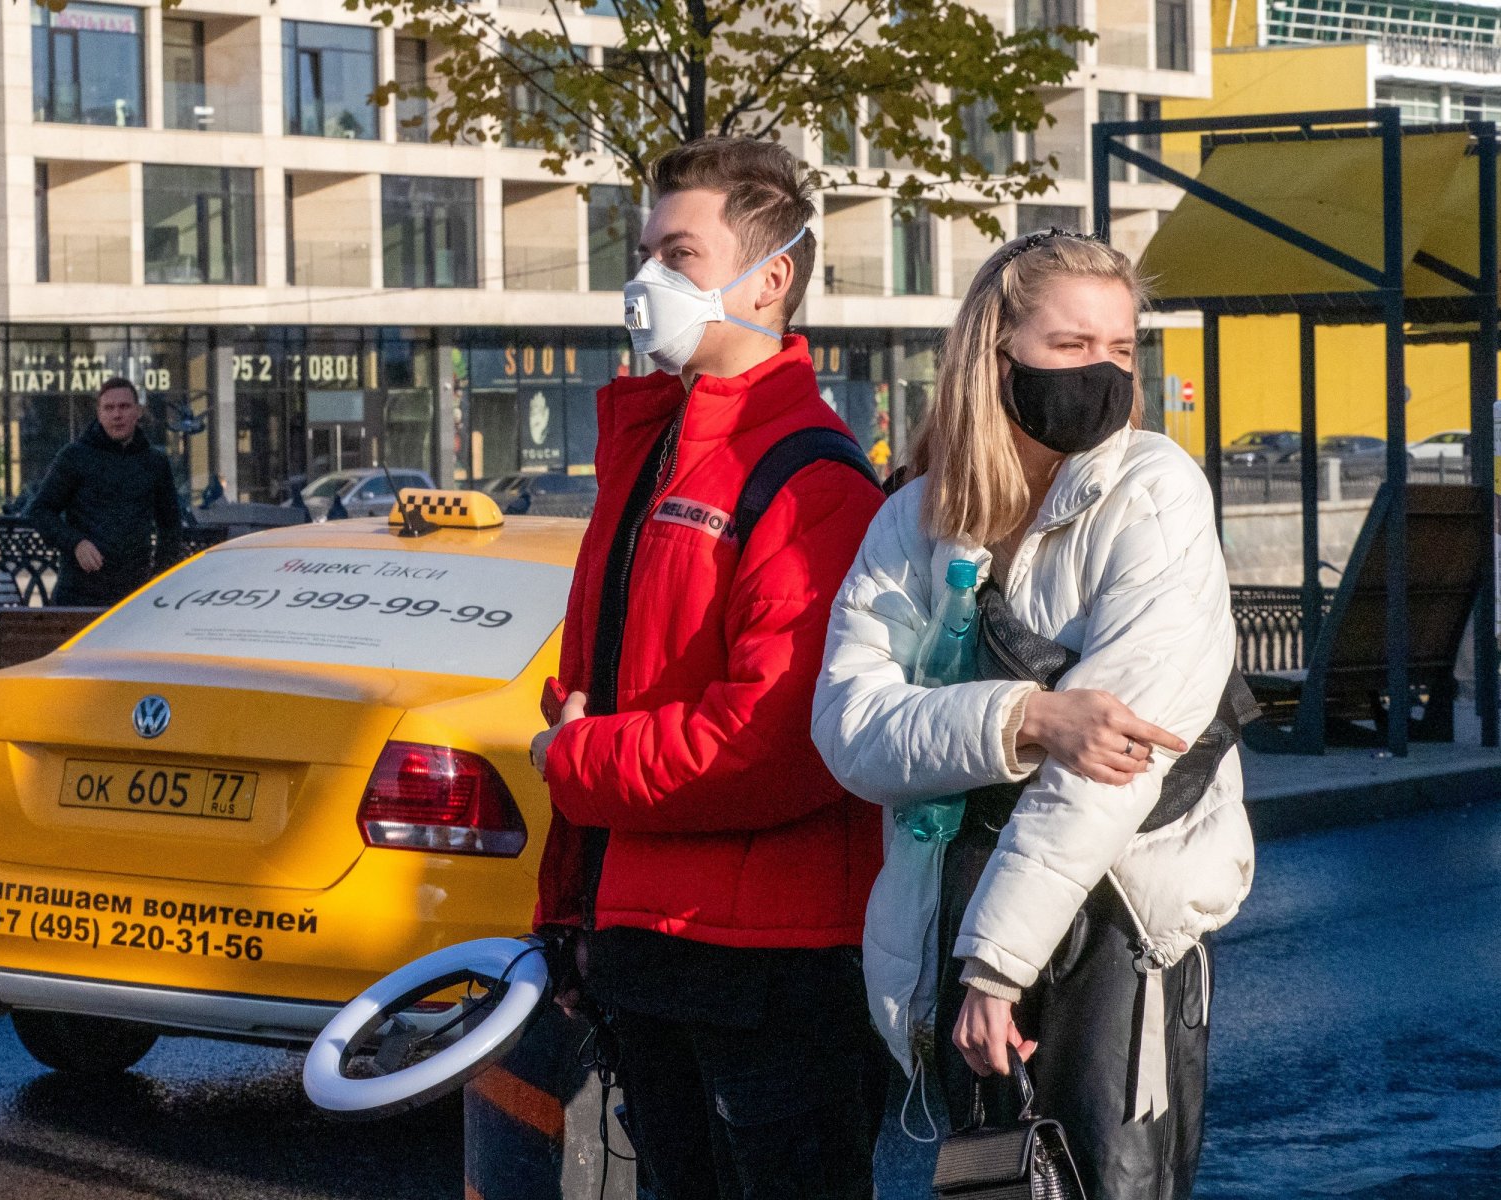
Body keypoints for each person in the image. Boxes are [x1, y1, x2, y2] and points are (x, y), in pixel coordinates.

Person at [812, 230, 1253, 1200]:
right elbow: (849, 727)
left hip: (1111, 935)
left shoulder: (1155, 496)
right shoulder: (917, 520)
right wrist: (1029, 718)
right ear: (993, 353)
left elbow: (1114, 767)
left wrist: (996, 965)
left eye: (1121, 351)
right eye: (1071, 347)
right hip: (941, 938)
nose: (1101, 373)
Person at [527, 136, 888, 1200]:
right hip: (649, 943)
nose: (648, 281)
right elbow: (601, 678)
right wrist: (576, 908)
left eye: (680, 253)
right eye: (645, 252)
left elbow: (772, 742)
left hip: (767, 965)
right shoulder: (653, 450)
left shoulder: (808, 476)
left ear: (771, 277)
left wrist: (578, 758)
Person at [28, 377, 186, 607]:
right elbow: (40, 511)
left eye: (124, 407)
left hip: (135, 596)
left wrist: (161, 575)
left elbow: (170, 525)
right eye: (109, 408)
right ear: (99, 413)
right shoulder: (74, 456)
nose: (117, 415)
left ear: (138, 411)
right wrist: (76, 543)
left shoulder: (155, 463)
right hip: (79, 594)